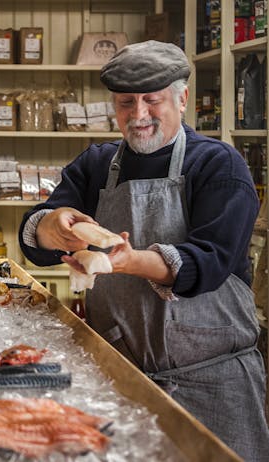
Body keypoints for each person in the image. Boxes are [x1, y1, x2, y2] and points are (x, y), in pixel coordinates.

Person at [19, 40, 269, 461]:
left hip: (212, 382)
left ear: (182, 97)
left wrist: (129, 261)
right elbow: (36, 242)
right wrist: (52, 225)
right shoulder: (96, 164)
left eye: (152, 101)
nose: (138, 116)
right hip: (120, 376)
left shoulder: (219, 165)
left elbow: (208, 264)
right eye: (125, 103)